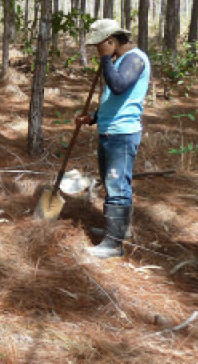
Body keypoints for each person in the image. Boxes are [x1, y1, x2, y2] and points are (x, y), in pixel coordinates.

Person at [76, 18, 150, 259]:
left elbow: (118, 86)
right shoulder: (120, 61)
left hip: (122, 134)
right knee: (112, 184)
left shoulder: (135, 59)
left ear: (111, 41)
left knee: (117, 186)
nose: (98, 51)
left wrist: (106, 58)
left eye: (100, 45)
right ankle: (117, 230)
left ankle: (113, 244)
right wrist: (94, 118)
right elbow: (116, 100)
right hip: (109, 130)